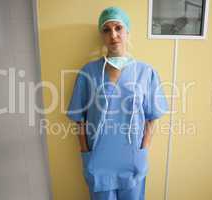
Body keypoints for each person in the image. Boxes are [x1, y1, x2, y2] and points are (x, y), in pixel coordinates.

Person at [66, 7, 168, 200]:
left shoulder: (145, 72)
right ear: (101, 35)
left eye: (118, 28)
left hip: (132, 159)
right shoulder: (89, 72)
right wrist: (85, 152)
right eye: (106, 30)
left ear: (127, 31)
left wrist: (143, 151)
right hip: (98, 159)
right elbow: (79, 119)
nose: (113, 35)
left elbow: (151, 118)